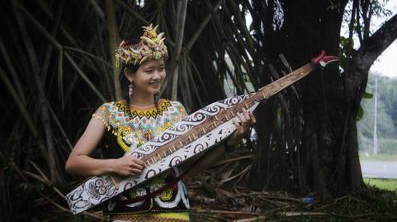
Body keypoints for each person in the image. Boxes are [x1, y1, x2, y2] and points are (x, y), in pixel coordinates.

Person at [65, 24, 256, 222]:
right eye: (149, 70)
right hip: (125, 215)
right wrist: (115, 165)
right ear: (130, 75)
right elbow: (74, 163)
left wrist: (231, 142)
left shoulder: (175, 111)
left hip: (173, 213)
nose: (157, 76)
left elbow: (191, 168)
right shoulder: (109, 113)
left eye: (161, 68)